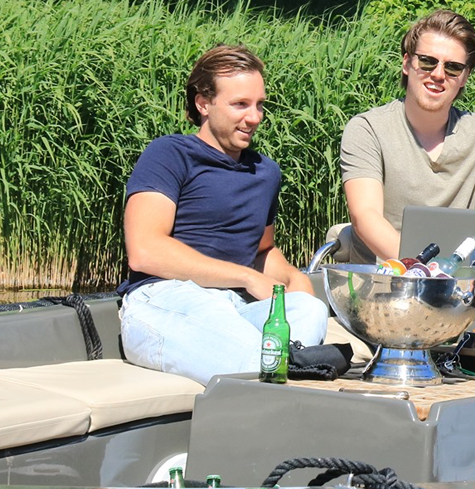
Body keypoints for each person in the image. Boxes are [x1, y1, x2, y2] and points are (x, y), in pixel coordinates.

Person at [118, 44, 329, 385]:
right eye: (240, 105)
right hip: (163, 299)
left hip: (232, 306)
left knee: (309, 309)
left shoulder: (266, 172)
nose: (255, 117)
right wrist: (246, 278)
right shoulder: (169, 154)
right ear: (203, 103)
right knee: (258, 356)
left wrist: (293, 279)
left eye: (260, 105)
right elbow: (145, 251)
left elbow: (261, 251)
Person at [339, 9, 475, 263]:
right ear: (407, 63)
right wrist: (424, 269)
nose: (438, 74)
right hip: (384, 283)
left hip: (457, 283)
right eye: (428, 61)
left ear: (465, 77)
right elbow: (366, 216)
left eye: (453, 68)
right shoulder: (368, 129)